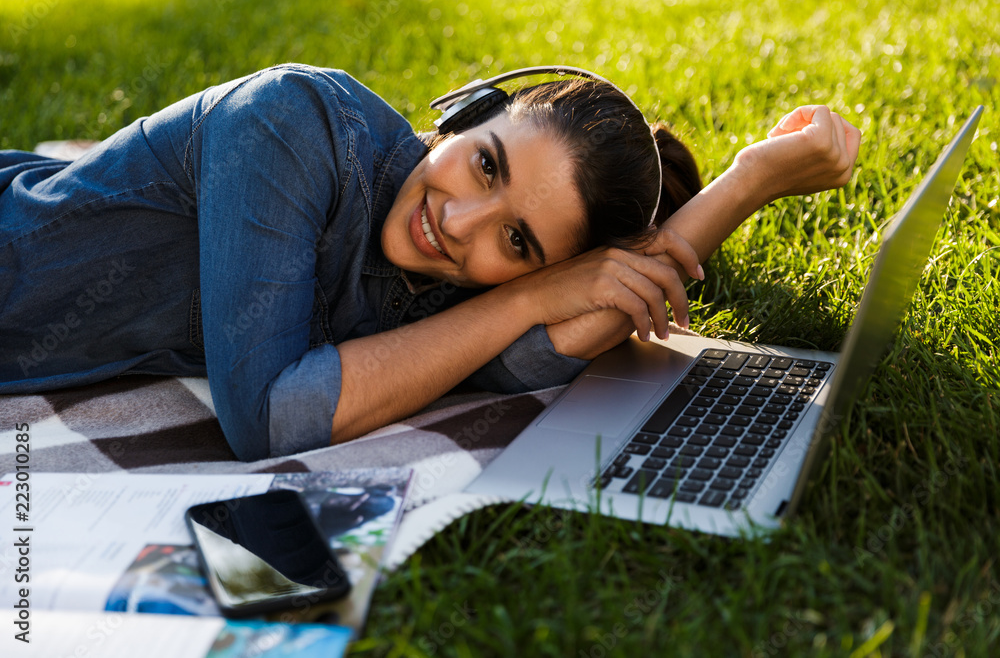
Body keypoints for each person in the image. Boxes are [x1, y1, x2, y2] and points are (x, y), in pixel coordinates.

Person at [0, 64, 860, 461]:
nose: (458, 222)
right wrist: (533, 291)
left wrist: (748, 185)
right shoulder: (289, 124)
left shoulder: (450, 288)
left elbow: (564, 333)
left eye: (518, 242)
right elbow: (266, 416)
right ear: (466, 112)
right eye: (488, 162)